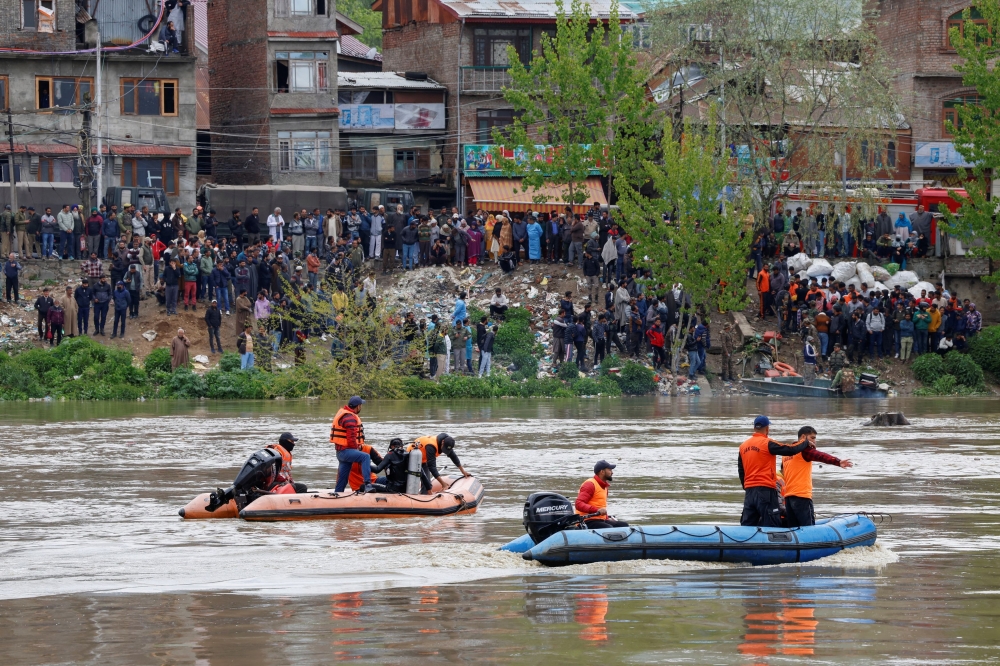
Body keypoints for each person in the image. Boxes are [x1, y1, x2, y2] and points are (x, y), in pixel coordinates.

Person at [738, 416, 812, 527]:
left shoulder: (743, 446)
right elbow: (790, 449)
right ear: (767, 428)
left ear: (754, 428)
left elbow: (741, 470)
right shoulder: (767, 443)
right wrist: (804, 442)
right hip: (766, 490)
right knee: (772, 523)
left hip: (749, 492)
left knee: (748, 525)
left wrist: (746, 486)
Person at [781, 426, 853, 527]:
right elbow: (820, 456)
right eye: (812, 438)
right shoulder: (804, 450)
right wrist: (837, 462)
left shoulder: (786, 453)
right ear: (803, 437)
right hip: (802, 496)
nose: (815, 441)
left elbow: (783, 471)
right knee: (808, 528)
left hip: (788, 498)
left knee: (793, 528)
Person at [331, 396, 374, 494]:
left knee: (343, 478)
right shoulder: (350, 417)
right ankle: (368, 484)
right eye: (361, 405)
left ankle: (338, 492)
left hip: (341, 452)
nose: (361, 407)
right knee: (365, 457)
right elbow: (351, 438)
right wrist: (356, 451)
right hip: (346, 451)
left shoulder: (344, 414)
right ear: (358, 406)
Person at [575, 460, 629, 529]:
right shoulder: (590, 484)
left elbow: (601, 505)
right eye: (609, 470)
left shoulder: (604, 487)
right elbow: (578, 504)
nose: (612, 472)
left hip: (600, 520)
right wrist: (596, 510)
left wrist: (606, 517)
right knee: (608, 528)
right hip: (587, 521)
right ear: (602, 472)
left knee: (623, 525)